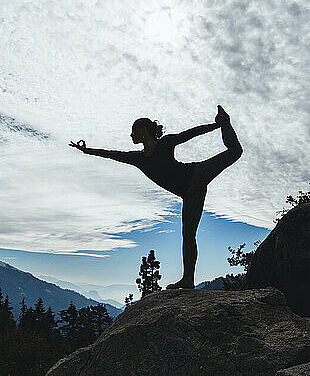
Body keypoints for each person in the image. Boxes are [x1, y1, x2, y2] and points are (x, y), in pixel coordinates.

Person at [69, 105, 243, 289]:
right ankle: (188, 280)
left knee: (235, 151)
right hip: (190, 194)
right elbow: (114, 155)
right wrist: (88, 151)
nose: (131, 135)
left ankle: (225, 121)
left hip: (196, 174)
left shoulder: (166, 143)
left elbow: (191, 133)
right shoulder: (138, 158)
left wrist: (217, 125)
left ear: (143, 130)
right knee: (188, 234)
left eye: (133, 131)